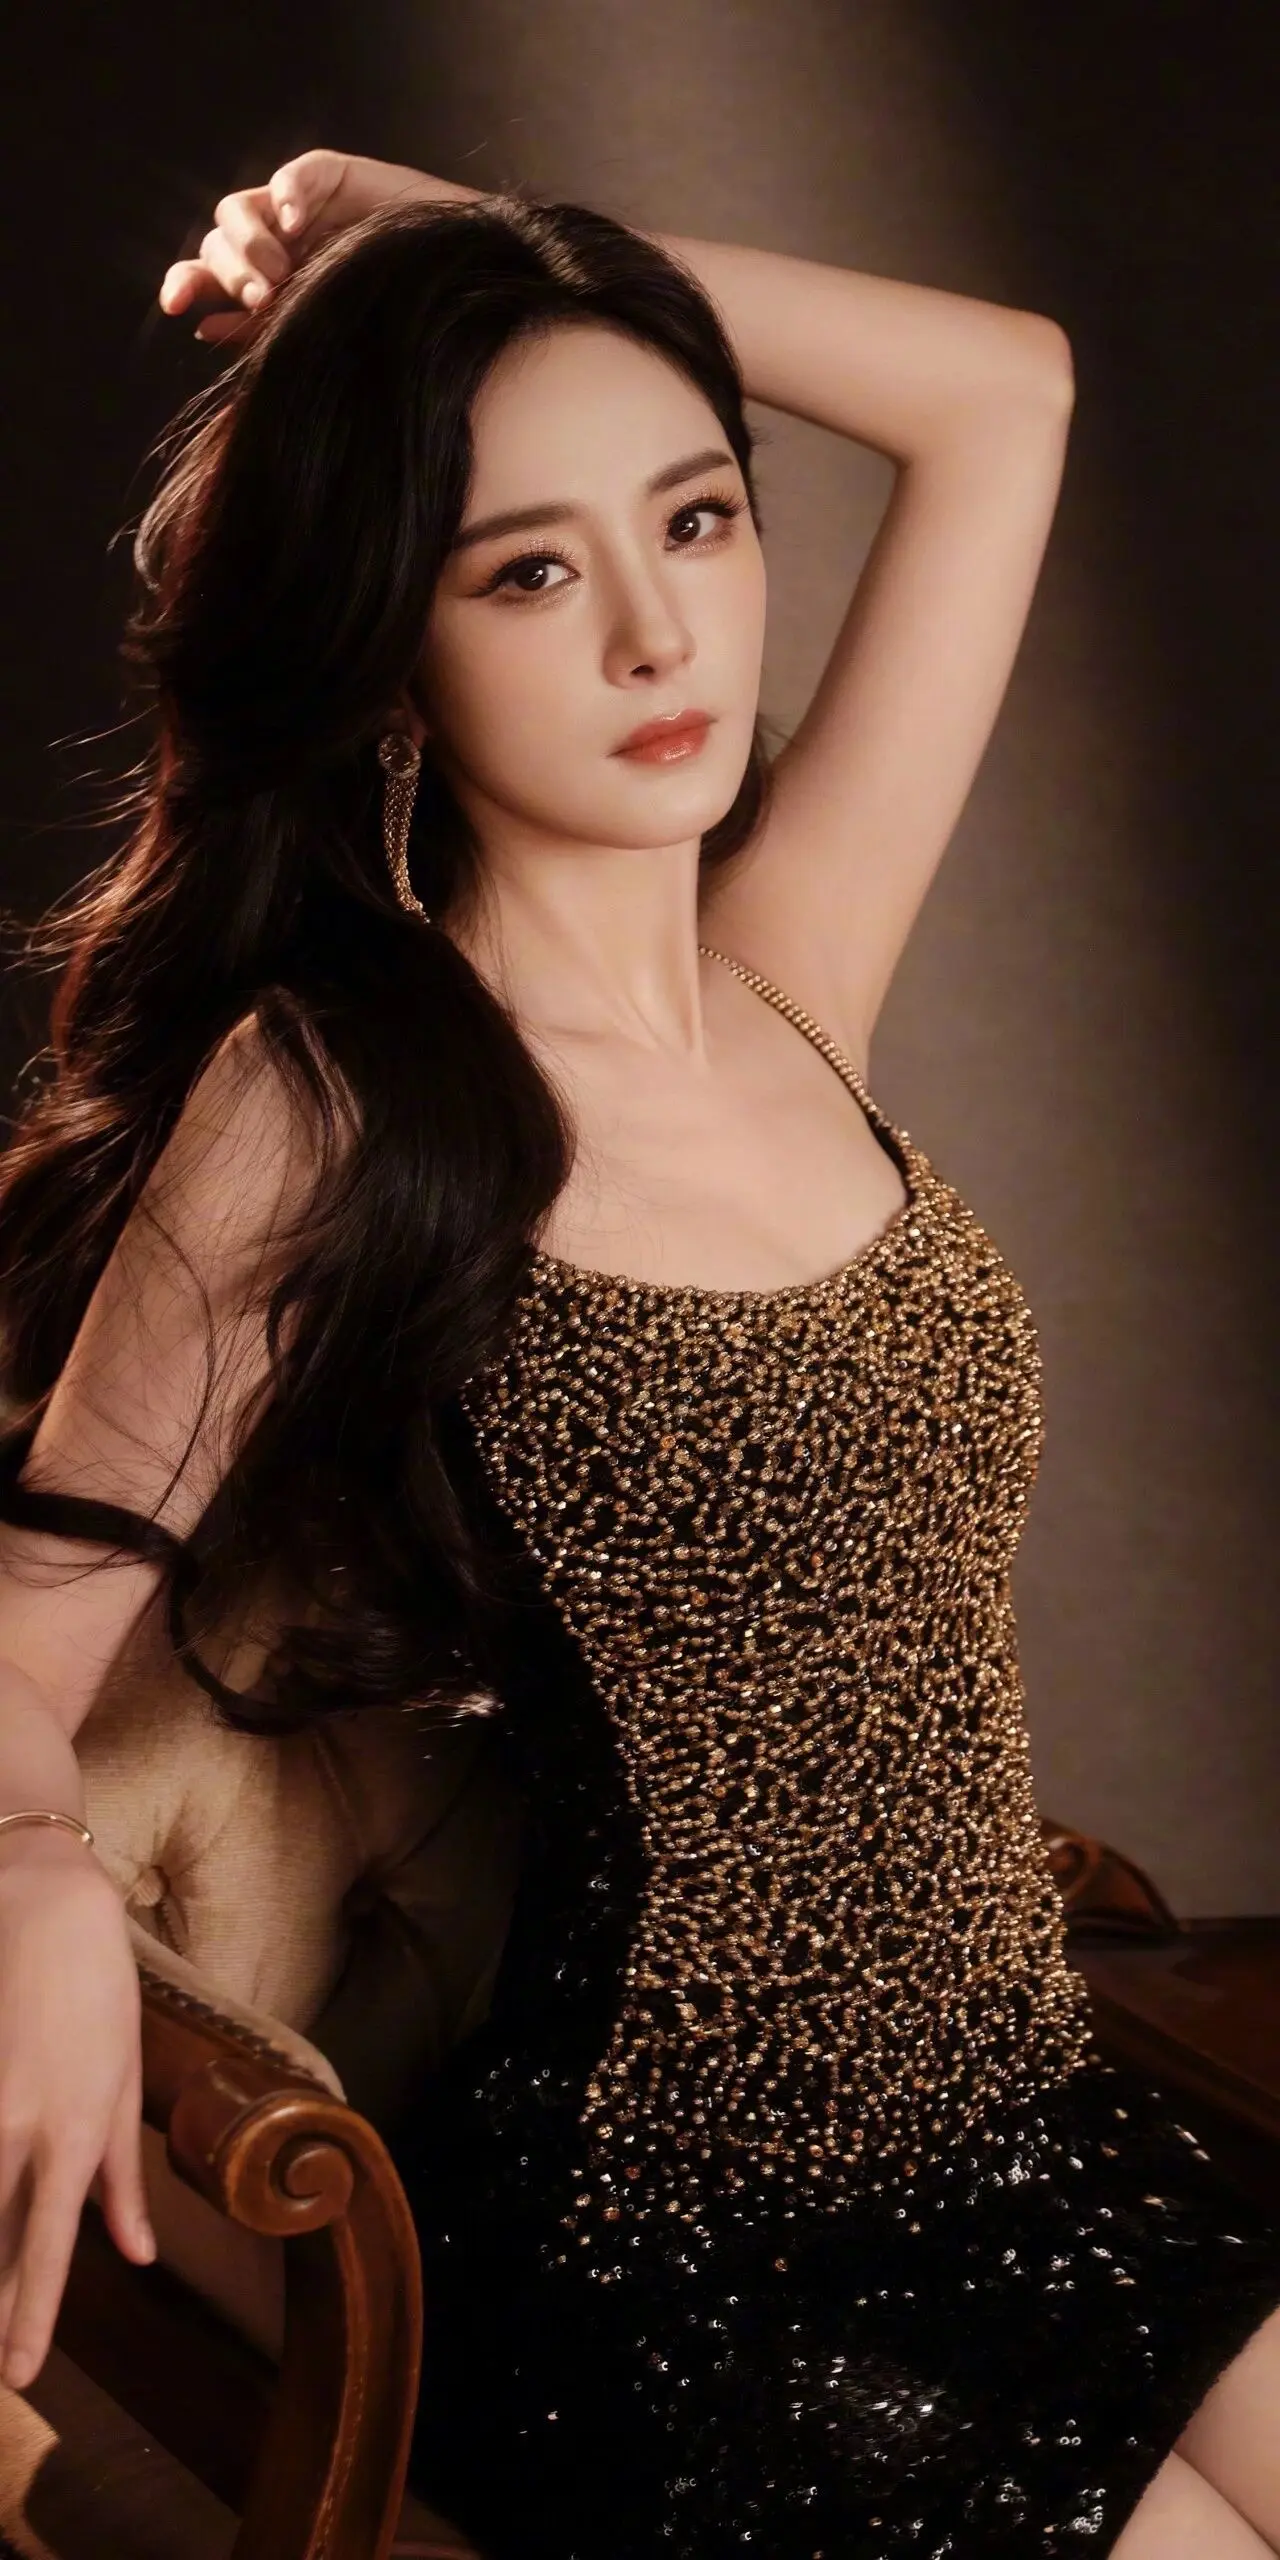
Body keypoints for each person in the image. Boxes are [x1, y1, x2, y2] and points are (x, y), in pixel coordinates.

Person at [0, 146, 1277, 2560]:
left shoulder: (792, 968)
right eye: (527, 570)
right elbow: (15, 1632)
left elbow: (1005, 392)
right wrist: (35, 1867)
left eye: (693, 521)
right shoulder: (336, 1095)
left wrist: (458, 235)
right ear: (394, 649)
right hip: (680, 2259)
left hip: (1027, 2137)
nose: (652, 635)